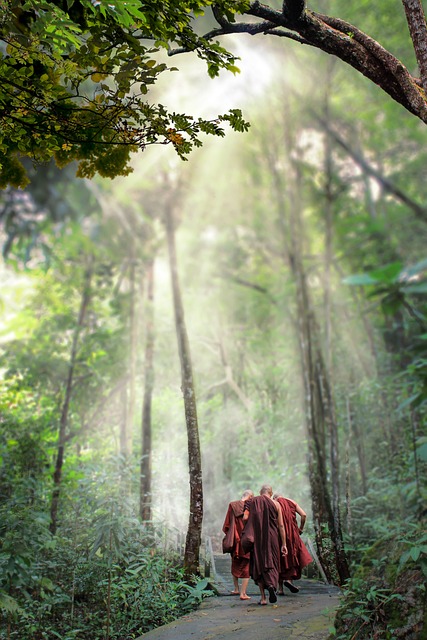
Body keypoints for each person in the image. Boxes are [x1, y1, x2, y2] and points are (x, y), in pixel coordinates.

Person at [241, 484, 287, 605]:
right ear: (271, 493)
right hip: (272, 538)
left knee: (258, 564)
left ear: (260, 492)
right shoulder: (276, 504)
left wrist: (251, 524)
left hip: (258, 537)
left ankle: (263, 598)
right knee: (273, 562)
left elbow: (245, 518)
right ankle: (271, 585)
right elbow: (281, 525)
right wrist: (284, 544)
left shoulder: (253, 501)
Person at [273, 493, 312, 594]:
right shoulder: (292, 502)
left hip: (279, 535)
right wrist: (300, 528)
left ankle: (280, 589)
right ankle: (289, 580)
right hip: (293, 534)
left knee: (280, 558)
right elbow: (303, 515)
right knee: (293, 555)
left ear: (275, 498)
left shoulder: (275, 504)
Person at [222, 489, 254, 600]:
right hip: (246, 540)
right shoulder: (250, 506)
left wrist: (230, 536)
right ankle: (243, 593)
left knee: (235, 563)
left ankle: (236, 589)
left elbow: (227, 525)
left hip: (235, 540)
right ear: (250, 497)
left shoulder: (232, 505)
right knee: (246, 565)